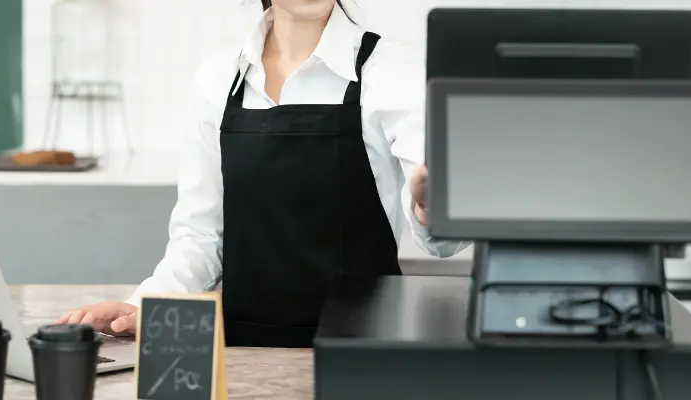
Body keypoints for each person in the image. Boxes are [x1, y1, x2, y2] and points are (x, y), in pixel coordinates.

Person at [56, 0, 469, 348]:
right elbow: (200, 237)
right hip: (240, 355)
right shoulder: (218, 79)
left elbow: (443, 238)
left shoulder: (392, 69)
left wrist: (432, 204)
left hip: (360, 356)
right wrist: (145, 306)